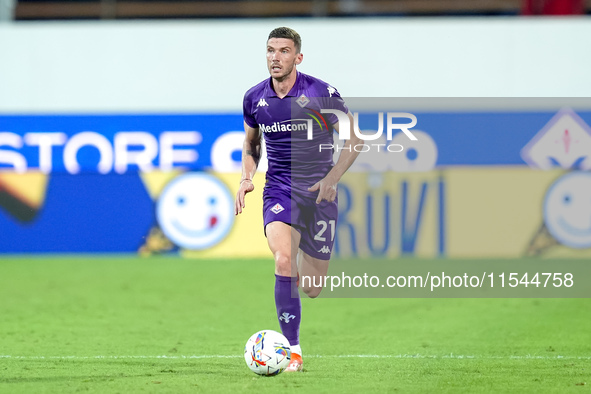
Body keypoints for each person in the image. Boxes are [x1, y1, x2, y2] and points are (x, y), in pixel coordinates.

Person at [235, 27, 362, 372]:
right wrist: (247, 177)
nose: (276, 57)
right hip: (279, 189)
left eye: (284, 51)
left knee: (312, 287)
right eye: (271, 50)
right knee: (283, 261)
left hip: (319, 193)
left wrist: (333, 179)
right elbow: (251, 144)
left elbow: (355, 140)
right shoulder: (254, 98)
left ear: (298, 57)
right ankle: (293, 352)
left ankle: (307, 252)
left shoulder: (320, 93)